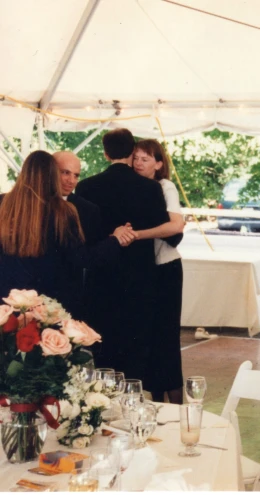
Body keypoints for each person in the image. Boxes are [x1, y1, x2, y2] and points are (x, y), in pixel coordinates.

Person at [75, 128, 173, 382]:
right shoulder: (150, 189)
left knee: (102, 346)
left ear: (106, 154)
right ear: (132, 152)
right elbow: (167, 231)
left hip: (101, 276)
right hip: (140, 277)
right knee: (135, 347)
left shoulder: (85, 187)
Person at [0, 151, 128, 317]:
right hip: (48, 304)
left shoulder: (3, 203)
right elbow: (83, 258)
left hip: (7, 301)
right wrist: (115, 239)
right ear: (52, 175)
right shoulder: (62, 211)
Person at [128, 139, 186, 404]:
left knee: (166, 338)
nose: (139, 163)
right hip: (145, 271)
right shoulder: (133, 188)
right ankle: (157, 401)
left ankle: (176, 403)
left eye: (145, 159)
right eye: (136, 158)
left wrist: (137, 235)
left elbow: (175, 226)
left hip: (166, 269)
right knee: (147, 337)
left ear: (159, 164)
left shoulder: (165, 187)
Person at [54, 151, 105, 246]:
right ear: (50, 171)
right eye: (65, 173)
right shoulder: (31, 204)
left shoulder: (89, 210)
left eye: (76, 175)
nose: (71, 181)